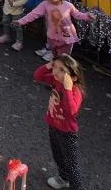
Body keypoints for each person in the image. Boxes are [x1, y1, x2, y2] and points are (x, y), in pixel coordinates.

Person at [32, 55, 87, 190]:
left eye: (62, 70)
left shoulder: (75, 91)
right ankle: (63, 178)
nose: (56, 71)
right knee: (58, 155)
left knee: (72, 163)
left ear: (73, 78)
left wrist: (68, 89)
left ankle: (76, 187)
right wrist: (48, 66)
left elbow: (71, 111)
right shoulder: (56, 81)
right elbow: (37, 76)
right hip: (53, 126)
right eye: (55, 67)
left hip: (67, 132)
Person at [17, 0, 93, 62]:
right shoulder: (44, 5)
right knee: (55, 55)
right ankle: (55, 68)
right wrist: (21, 21)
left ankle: (61, 69)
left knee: (64, 57)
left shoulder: (68, 5)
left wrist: (87, 16)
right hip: (52, 36)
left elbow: (77, 14)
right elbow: (34, 14)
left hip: (67, 36)